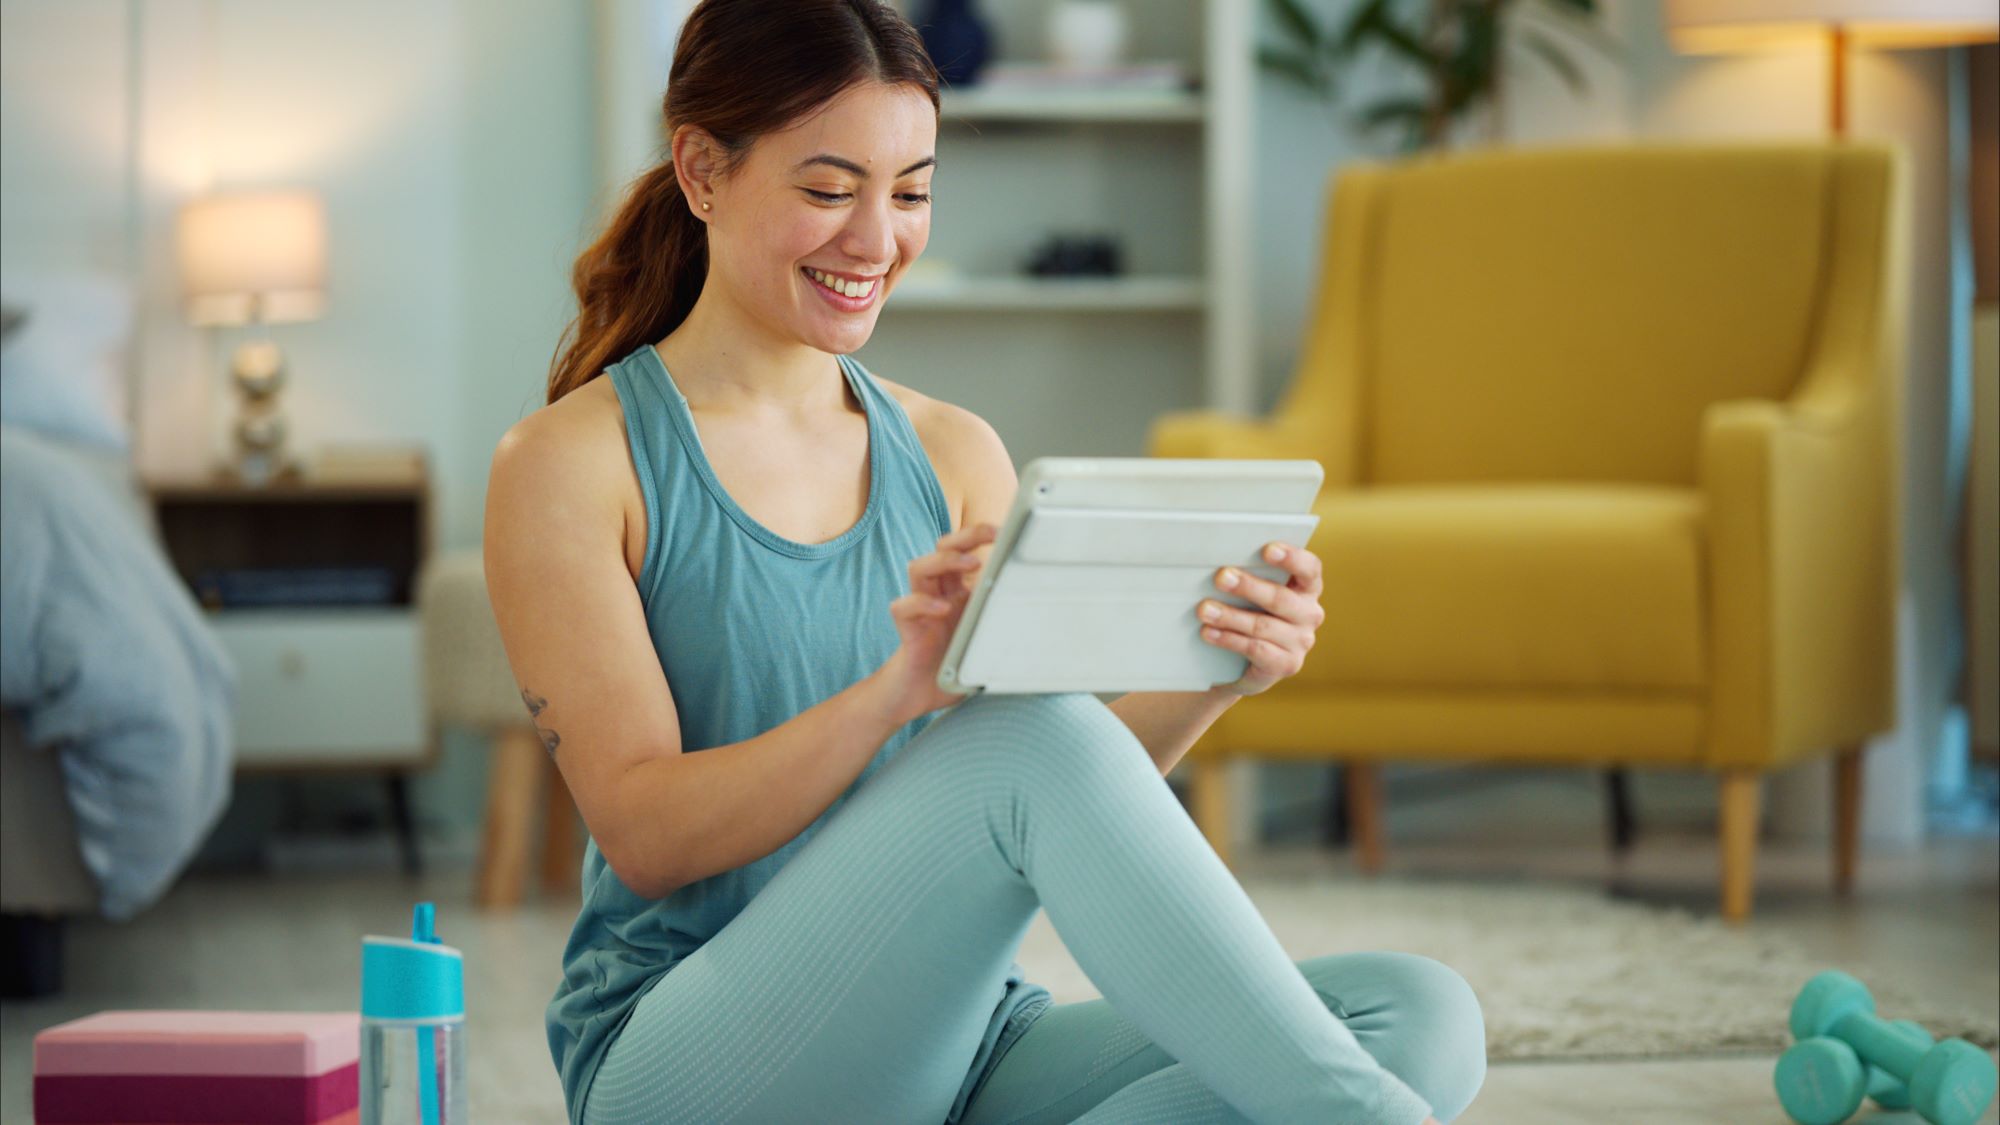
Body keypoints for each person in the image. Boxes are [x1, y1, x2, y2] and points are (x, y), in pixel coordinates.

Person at [482, 1, 1485, 1121]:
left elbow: (1056, 798)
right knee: (1028, 735)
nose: (876, 241)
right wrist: (892, 697)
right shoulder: (571, 462)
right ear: (701, 171)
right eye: (827, 189)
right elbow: (648, 836)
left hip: (952, 1045)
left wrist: (1217, 672)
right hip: (687, 1058)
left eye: (909, 192)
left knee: (1413, 1014)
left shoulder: (953, 451)